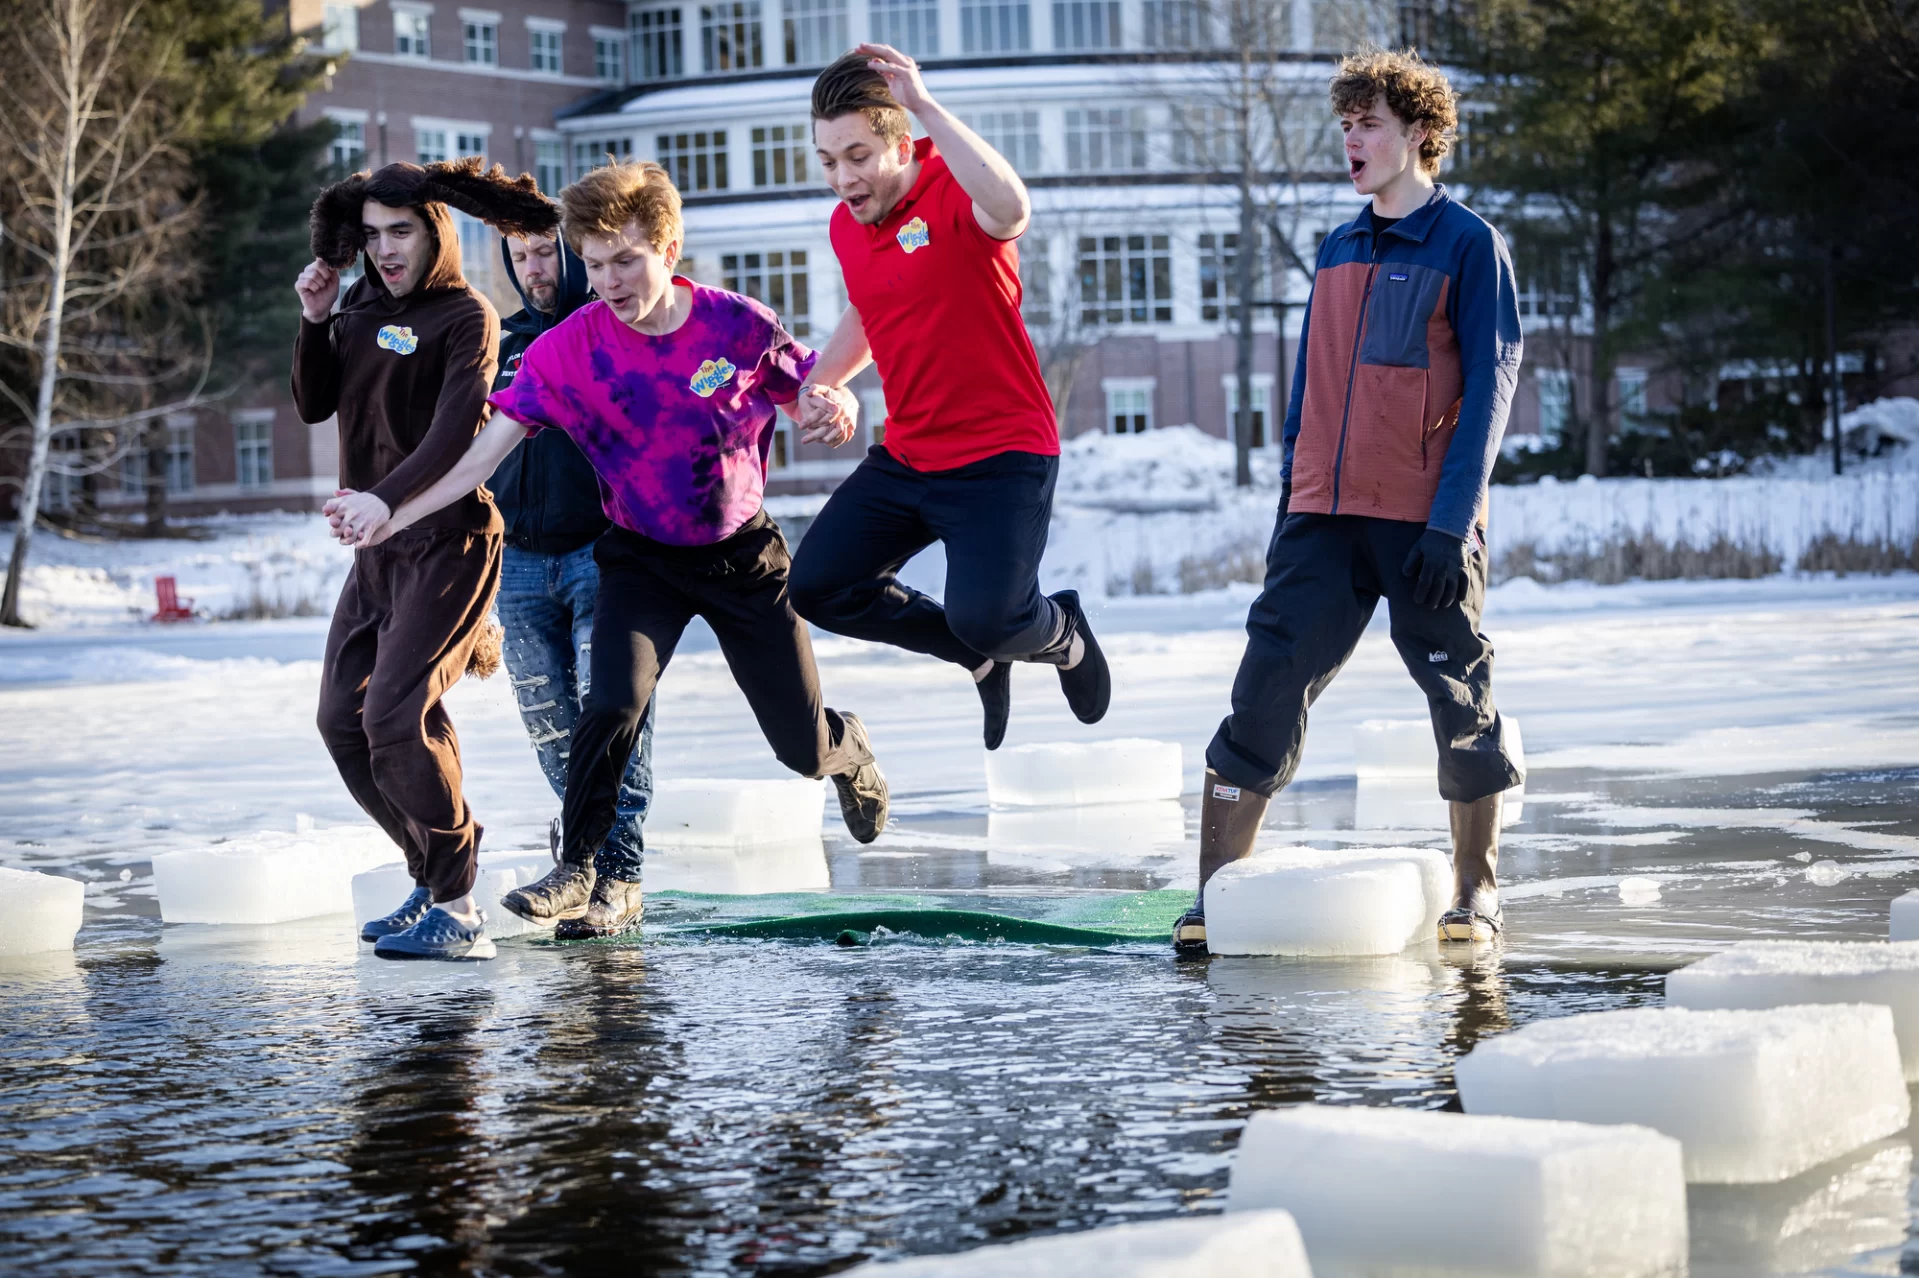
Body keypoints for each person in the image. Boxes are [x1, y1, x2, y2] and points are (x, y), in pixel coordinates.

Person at [329, 159, 890, 937]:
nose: (609, 281)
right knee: (610, 706)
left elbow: (815, 390)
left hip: (741, 558)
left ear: (668, 246)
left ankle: (846, 748)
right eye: (592, 264)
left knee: (798, 745)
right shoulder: (569, 350)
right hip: (639, 557)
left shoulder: (736, 324)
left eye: (625, 259)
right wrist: (389, 510)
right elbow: (479, 457)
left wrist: (837, 405)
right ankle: (581, 866)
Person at [1173, 49, 1525, 954]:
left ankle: (1475, 889)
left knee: (1457, 689)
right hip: (1320, 520)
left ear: (1418, 134)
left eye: (1367, 124)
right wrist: (1295, 499)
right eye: (1345, 126)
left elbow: (1490, 389)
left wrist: (1452, 524)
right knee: (1263, 687)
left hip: (1422, 522)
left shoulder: (1467, 243)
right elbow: (1311, 389)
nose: (1351, 141)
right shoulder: (1338, 244)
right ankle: (1216, 898)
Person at [786, 46, 1109, 753]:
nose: (843, 178)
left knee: (992, 613)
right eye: (828, 159)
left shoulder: (953, 191)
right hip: (909, 457)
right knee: (817, 586)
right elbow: (872, 308)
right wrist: (825, 380)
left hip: (1002, 456)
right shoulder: (848, 225)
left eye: (859, 155)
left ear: (902, 141)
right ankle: (974, 654)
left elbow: (1011, 205)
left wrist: (925, 102)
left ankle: (1061, 635)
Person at [296, 157, 559, 962]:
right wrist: (313, 318)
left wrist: (387, 500)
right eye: (371, 235)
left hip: (451, 542)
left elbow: (455, 437)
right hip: (379, 553)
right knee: (342, 721)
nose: (384, 250)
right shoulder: (361, 305)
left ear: (434, 230)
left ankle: (459, 905)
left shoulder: (465, 317)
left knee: (394, 716)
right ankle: (430, 869)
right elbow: (314, 404)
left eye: (400, 231)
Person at [489, 228, 657, 938]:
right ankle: (580, 866)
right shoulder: (496, 345)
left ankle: (618, 877)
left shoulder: (611, 330)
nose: (534, 269)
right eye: (519, 256)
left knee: (613, 716)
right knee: (551, 725)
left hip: (603, 551)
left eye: (543, 252)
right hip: (518, 562)